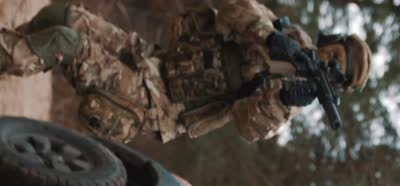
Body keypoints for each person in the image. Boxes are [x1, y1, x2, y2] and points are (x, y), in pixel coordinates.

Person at [0, 1, 371, 144]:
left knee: (66, 42)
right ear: (330, 43)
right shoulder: (285, 33)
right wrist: (268, 36)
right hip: (152, 61)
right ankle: (10, 56)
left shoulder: (288, 104)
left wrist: (284, 96)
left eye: (337, 69)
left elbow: (248, 125)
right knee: (62, 17)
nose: (329, 60)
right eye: (335, 54)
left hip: (155, 104)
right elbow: (232, 7)